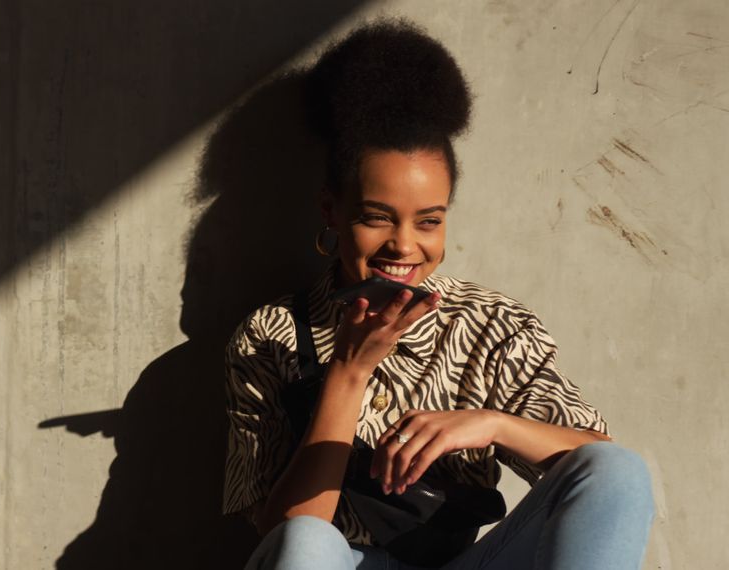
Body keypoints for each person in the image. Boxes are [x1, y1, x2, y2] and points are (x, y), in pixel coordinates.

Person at [220, 19, 654, 570]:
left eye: (428, 222)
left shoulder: (490, 324)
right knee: (307, 540)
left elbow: (596, 464)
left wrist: (491, 423)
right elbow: (279, 535)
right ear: (332, 210)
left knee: (618, 468)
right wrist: (348, 376)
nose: (403, 245)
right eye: (377, 218)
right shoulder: (268, 337)